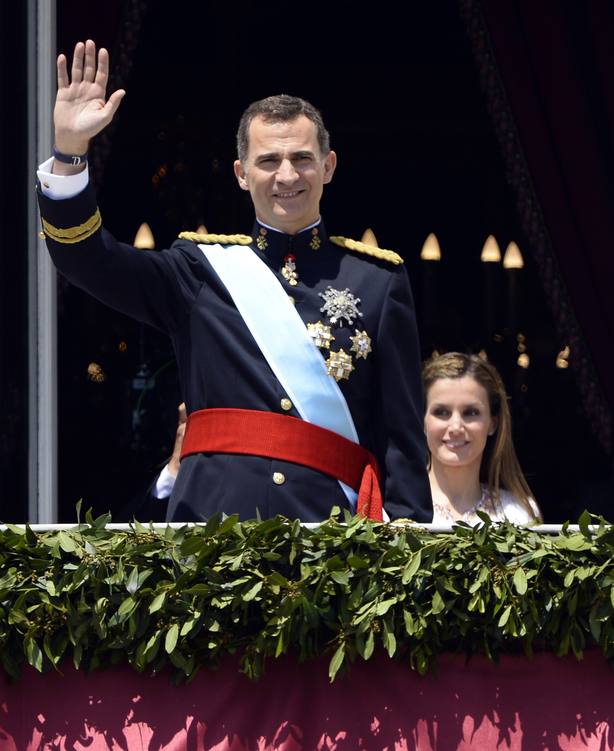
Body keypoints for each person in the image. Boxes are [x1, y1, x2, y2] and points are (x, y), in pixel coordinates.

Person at [37, 40, 432, 523]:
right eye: (268, 161)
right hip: (211, 535)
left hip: (335, 542)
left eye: (302, 158)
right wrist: (71, 151)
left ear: (327, 167)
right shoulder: (197, 270)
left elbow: (402, 442)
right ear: (242, 174)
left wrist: (407, 552)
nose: (287, 174)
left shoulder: (379, 281)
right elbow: (86, 259)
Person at [422, 352, 540, 526]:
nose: (456, 427)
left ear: (493, 423)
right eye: (441, 412)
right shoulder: (393, 510)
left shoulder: (518, 513)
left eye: (470, 412)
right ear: (422, 420)